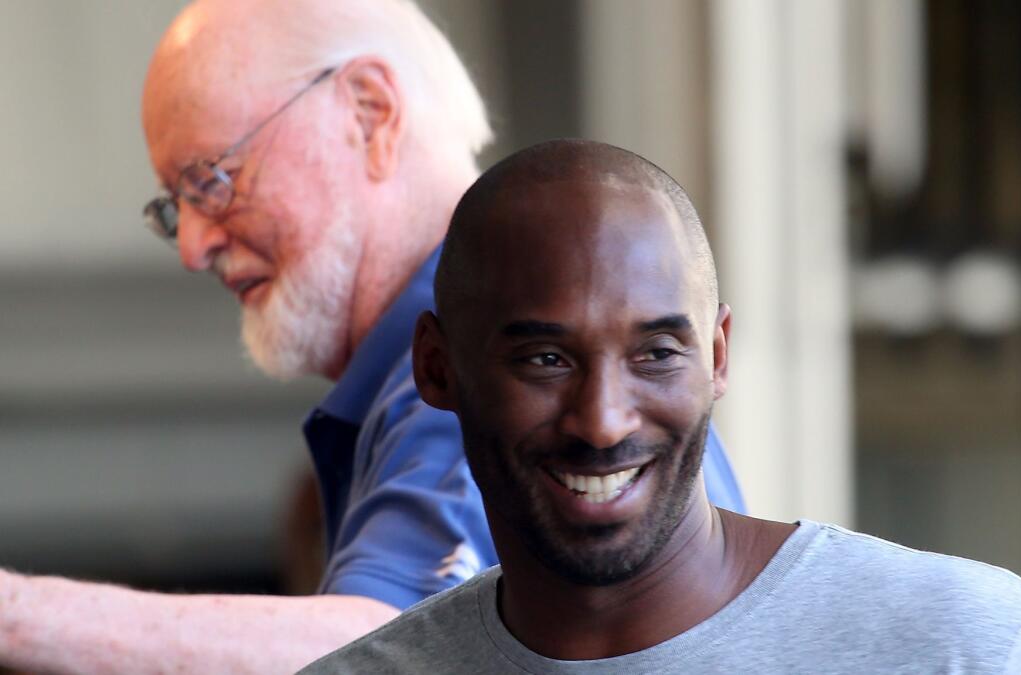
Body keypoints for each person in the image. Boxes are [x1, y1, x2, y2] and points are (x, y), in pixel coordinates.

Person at [0, 2, 747, 674]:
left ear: (369, 111)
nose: (193, 245)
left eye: (212, 181)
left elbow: (388, 654)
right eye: (175, 208)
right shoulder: (441, 367)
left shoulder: (490, 372)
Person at [303, 139, 1021, 674]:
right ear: (436, 367)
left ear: (718, 356)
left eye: (656, 353)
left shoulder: (976, 651)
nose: (605, 420)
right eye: (546, 359)